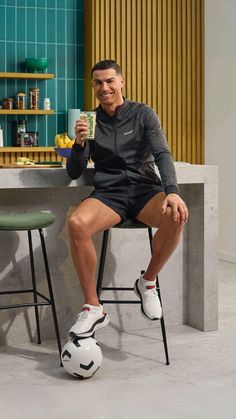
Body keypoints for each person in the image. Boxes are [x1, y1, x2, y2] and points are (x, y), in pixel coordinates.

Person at [66, 59, 188, 338]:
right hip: (109, 194)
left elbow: (162, 154)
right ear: (93, 86)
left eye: (110, 81)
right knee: (76, 223)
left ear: (121, 82)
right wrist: (79, 143)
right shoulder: (90, 120)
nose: (104, 87)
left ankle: (147, 282)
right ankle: (93, 307)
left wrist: (172, 191)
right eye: (98, 82)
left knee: (176, 214)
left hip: (145, 191)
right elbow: (75, 171)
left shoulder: (144, 114)